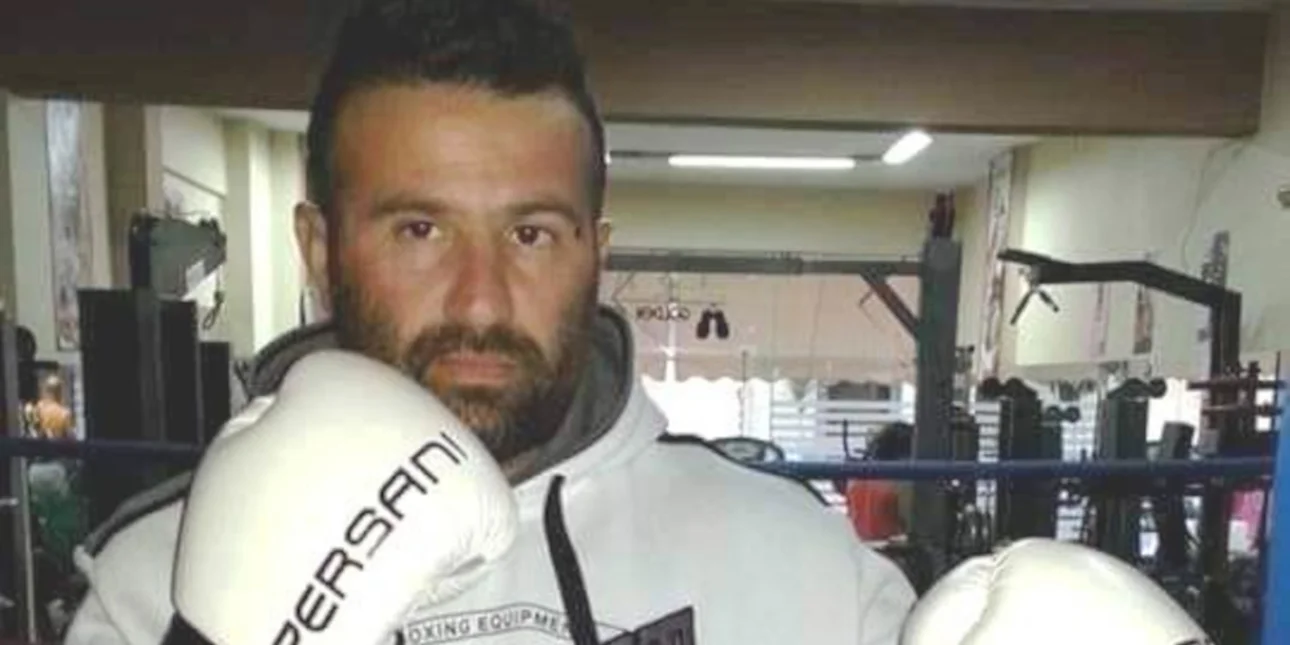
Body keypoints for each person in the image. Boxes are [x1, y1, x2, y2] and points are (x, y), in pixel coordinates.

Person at [65, 1, 915, 643]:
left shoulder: (803, 566)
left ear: (595, 255)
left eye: (530, 234)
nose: (481, 300)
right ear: (320, 251)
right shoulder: (155, 582)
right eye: (419, 230)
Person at [845, 422, 914, 541]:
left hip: (859, 547)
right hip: (892, 549)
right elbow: (914, 529)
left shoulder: (855, 483)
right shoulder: (902, 485)